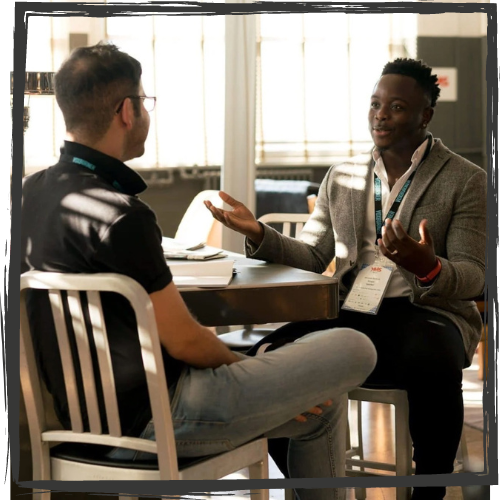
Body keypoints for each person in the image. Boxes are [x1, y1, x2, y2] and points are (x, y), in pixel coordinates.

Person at [20, 42, 378, 500]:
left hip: (77, 423)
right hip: (158, 423)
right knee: (353, 344)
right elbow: (185, 340)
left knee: (323, 406)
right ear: (127, 111)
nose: (147, 112)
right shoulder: (124, 216)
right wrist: (248, 368)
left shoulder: (30, 194)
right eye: (146, 101)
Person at [205, 58, 487, 500]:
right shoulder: (344, 175)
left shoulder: (466, 180)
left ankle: (429, 489)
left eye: (395, 106)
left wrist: (426, 265)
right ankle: (312, 486)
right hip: (355, 309)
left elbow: (475, 277)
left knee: (432, 356)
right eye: (375, 104)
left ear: (424, 116)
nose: (381, 115)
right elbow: (315, 256)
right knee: (274, 354)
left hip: (428, 313)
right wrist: (259, 233)